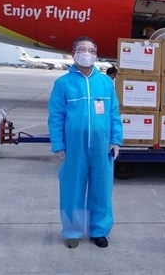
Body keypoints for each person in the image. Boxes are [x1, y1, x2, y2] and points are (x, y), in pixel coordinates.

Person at [48, 36, 123, 249]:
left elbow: (114, 114)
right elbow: (56, 116)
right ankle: (73, 231)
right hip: (74, 146)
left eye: (91, 50)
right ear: (73, 53)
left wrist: (116, 140)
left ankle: (99, 230)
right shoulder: (63, 83)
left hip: (102, 146)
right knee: (73, 190)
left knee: (101, 189)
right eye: (82, 49)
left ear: (96, 54)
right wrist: (58, 144)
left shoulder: (106, 82)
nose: (87, 53)